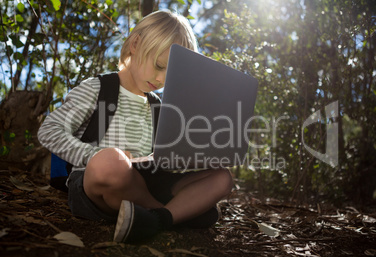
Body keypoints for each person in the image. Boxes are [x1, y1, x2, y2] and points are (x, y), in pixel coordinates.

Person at [38, 10, 233, 243]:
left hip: (149, 181)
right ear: (135, 44)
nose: (161, 80)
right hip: (104, 181)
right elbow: (49, 130)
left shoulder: (160, 107)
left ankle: (156, 219)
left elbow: (161, 159)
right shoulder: (97, 88)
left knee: (223, 177)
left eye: (170, 76)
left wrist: (188, 156)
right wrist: (93, 155)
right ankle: (176, 213)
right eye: (159, 66)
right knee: (110, 162)